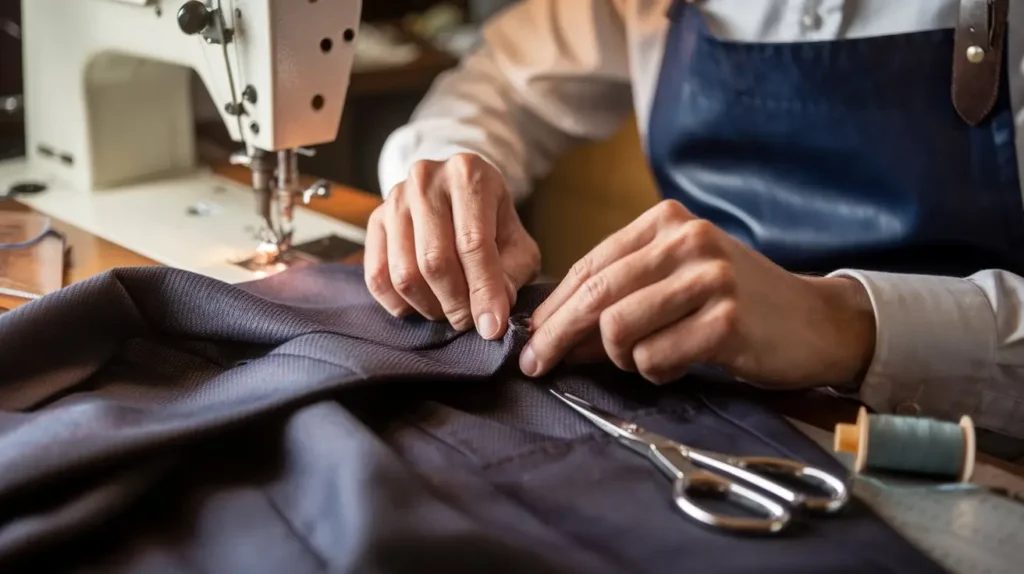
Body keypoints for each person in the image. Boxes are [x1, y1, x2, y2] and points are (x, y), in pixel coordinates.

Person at [370, 0, 1024, 442]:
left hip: (983, 448)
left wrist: (847, 321)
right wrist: (445, 175)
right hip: (712, 413)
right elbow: (498, 89)